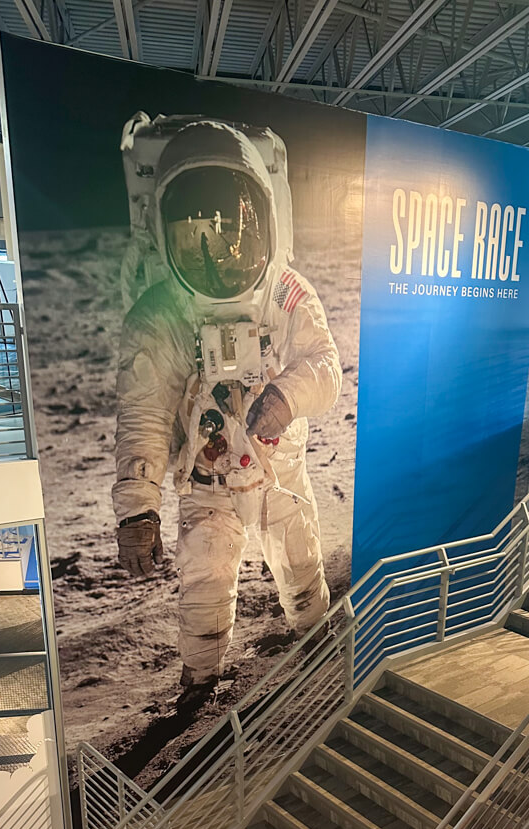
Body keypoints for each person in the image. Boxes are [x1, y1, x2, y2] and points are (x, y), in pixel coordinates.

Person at [113, 116, 341, 707]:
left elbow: (325, 366)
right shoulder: (161, 314)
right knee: (204, 587)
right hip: (207, 482)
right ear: (166, 230)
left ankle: (318, 653)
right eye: (196, 232)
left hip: (277, 474)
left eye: (235, 228)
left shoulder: (285, 292)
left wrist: (286, 397)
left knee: (301, 570)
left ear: (262, 216)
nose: (220, 247)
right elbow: (143, 412)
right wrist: (137, 510)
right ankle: (200, 686)